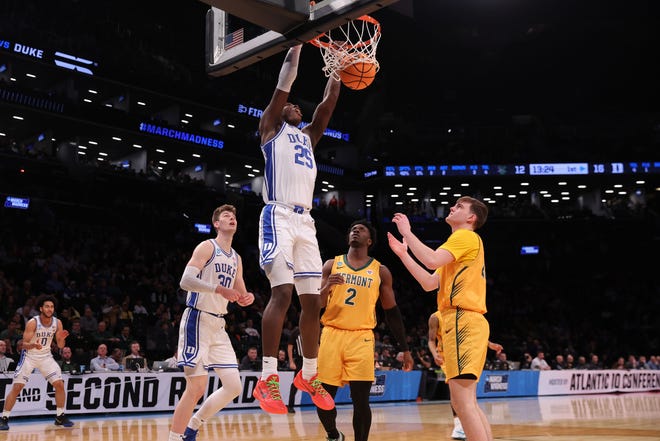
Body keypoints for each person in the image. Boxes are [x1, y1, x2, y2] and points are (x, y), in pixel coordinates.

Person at [253, 43, 341, 415]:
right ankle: (267, 378)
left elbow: (327, 104)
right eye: (291, 106)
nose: (295, 106)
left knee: (312, 302)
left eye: (297, 108)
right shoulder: (270, 129)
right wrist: (298, 42)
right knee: (282, 295)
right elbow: (285, 80)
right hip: (278, 216)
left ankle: (309, 374)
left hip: (306, 222)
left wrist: (338, 66)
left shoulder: (308, 136)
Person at [388, 196, 493, 441]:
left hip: (462, 321)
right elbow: (428, 283)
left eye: (459, 207)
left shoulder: (465, 237)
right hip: (465, 322)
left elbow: (431, 259)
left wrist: (408, 233)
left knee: (463, 403)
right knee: (467, 402)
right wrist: (404, 254)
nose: (452, 208)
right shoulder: (459, 248)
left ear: (471, 217)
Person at [316, 220, 413, 441]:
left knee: (361, 400)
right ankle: (333, 434)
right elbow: (318, 305)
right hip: (332, 333)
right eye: (352, 229)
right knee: (322, 397)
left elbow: (392, 313)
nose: (355, 231)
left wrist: (405, 349)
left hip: (361, 338)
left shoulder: (381, 271)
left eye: (361, 230)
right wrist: (326, 286)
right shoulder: (332, 264)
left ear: (369, 241)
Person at [168, 204, 254, 441]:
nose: (231, 218)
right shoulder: (207, 246)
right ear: (216, 224)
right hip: (198, 318)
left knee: (234, 387)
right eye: (226, 216)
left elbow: (241, 293)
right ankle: (174, 438)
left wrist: (248, 298)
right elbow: (185, 281)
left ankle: (193, 426)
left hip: (218, 325)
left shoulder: (236, 258)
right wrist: (217, 289)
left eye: (234, 216)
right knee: (196, 388)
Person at [0, 294, 74, 430]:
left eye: (52, 307)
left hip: (46, 356)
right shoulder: (33, 322)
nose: (49, 309)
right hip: (29, 356)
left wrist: (62, 339)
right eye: (47, 306)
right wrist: (33, 345)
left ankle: (60, 416)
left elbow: (61, 346)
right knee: (17, 388)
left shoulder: (57, 323)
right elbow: (23, 344)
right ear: (41, 308)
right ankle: (4, 418)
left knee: (59, 384)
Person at [428, 311, 503, 440]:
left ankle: (460, 426)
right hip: (447, 357)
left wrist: (490, 344)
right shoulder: (435, 317)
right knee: (462, 401)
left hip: (461, 355)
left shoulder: (461, 313)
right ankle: (460, 425)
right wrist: (435, 355)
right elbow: (431, 341)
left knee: (463, 401)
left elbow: (471, 333)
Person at [286, 326, 302, 413]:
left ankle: (322, 405)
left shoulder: (314, 328)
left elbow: (317, 345)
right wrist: (291, 361)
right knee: (295, 383)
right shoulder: (296, 331)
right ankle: (290, 405)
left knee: (317, 382)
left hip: (312, 359)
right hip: (300, 359)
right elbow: (290, 347)